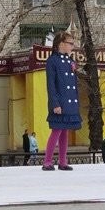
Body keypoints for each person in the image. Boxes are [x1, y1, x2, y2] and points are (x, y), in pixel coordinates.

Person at [43, 31, 82, 171]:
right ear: (61, 44)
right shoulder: (52, 61)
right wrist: (55, 103)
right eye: (70, 43)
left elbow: (74, 84)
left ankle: (62, 161)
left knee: (65, 131)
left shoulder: (70, 61)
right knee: (56, 130)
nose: (72, 46)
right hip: (59, 101)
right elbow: (51, 85)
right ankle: (47, 161)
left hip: (69, 102)